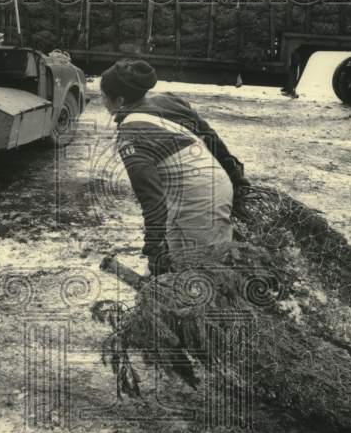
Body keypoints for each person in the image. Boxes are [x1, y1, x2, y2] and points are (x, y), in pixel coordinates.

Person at [101, 59, 249, 275]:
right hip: (200, 188)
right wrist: (235, 177)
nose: (101, 100)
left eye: (103, 95)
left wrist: (153, 249)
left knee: (207, 274)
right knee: (181, 268)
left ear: (119, 100)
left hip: (199, 199)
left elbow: (152, 199)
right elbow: (210, 137)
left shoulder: (131, 136)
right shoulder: (168, 101)